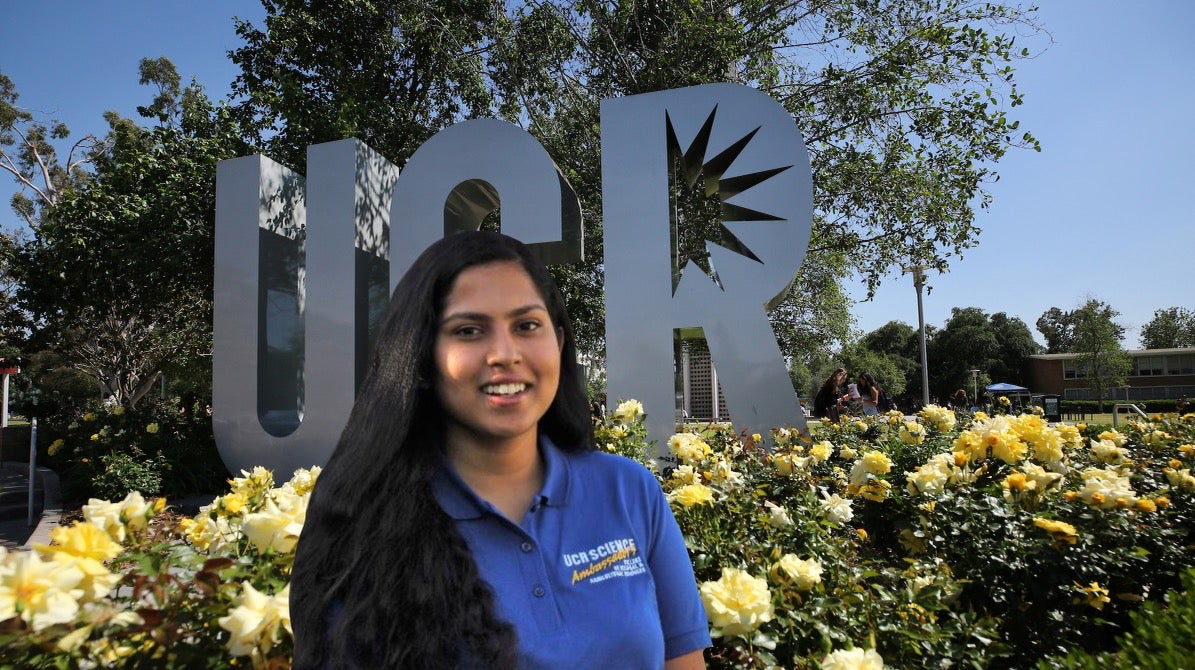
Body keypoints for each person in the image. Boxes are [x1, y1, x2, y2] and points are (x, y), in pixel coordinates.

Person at [291, 231, 710, 669]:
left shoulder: (628, 491)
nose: (504, 354)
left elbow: (683, 660)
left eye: (526, 325)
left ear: (559, 343)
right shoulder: (364, 523)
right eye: (468, 331)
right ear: (422, 358)